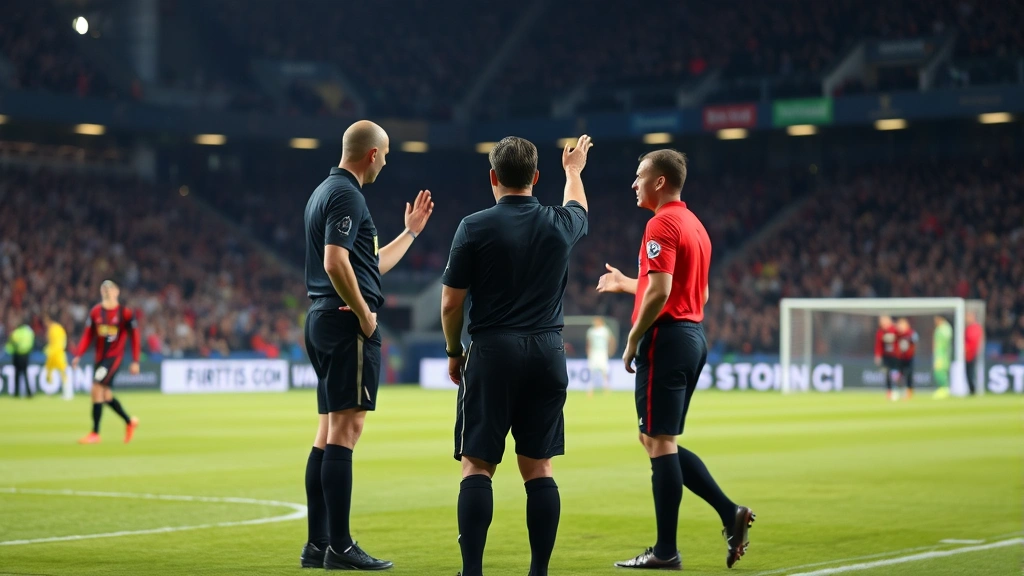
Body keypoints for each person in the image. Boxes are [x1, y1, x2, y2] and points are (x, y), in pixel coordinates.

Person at [441, 135, 591, 576]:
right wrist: (574, 172)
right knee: (538, 467)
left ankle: (472, 572)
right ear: (536, 178)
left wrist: (454, 351)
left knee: (477, 465)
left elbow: (451, 303)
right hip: (548, 350)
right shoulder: (559, 223)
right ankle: (539, 571)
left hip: (492, 350)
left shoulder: (474, 226)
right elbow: (579, 207)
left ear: (493, 177)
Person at [597, 149, 753, 570]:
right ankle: (729, 513)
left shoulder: (661, 222)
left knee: (659, 441)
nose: (633, 184)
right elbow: (694, 294)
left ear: (659, 182)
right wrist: (628, 283)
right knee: (654, 439)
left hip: (664, 340)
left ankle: (666, 551)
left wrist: (632, 339)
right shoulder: (695, 226)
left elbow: (663, 292)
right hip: (691, 336)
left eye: (639, 176)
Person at [300, 120, 433, 570]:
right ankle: (340, 546)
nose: (388, 160)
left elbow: (366, 265)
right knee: (346, 433)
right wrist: (365, 315)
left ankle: (318, 543)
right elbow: (336, 262)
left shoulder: (324, 191)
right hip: (343, 323)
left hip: (321, 318)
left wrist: (410, 233)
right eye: (387, 153)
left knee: (326, 434)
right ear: (372, 154)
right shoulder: (348, 196)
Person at [71, 280, 141, 444]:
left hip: (114, 358)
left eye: (111, 288)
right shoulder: (96, 312)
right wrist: (78, 354)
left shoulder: (125, 313)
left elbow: (135, 337)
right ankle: (129, 422)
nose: (107, 291)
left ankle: (95, 433)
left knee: (96, 387)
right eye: (104, 288)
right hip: (99, 358)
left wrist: (135, 360)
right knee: (106, 395)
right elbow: (88, 335)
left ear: (117, 292)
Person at [43, 310, 72, 400]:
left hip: (57, 354)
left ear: (48, 320)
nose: (44, 323)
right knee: (49, 372)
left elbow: (57, 343)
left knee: (61, 373)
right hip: (56, 354)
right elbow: (64, 341)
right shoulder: (58, 328)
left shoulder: (54, 329)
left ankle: (67, 393)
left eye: (45, 320)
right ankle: (51, 391)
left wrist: (49, 350)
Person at [586, 316, 616, 396]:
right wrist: (588, 352)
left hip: (602, 352)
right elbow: (589, 343)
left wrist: (611, 350)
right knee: (592, 371)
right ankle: (590, 389)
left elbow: (611, 340)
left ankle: (606, 388)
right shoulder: (591, 331)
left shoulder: (605, 330)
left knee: (605, 371)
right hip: (594, 352)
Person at [5, 321, 34, 398]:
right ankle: (29, 393)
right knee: (25, 374)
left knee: (17, 375)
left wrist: (8, 350)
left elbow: (11, 344)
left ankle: (16, 393)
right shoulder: (28, 332)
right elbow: (31, 343)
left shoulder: (16, 333)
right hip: (25, 355)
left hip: (17, 355)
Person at [874, 315, 900, 401]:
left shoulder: (895, 330)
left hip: (896, 355)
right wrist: (878, 355)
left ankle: (897, 389)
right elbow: (878, 345)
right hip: (886, 356)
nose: (882, 323)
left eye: (884, 321)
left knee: (896, 373)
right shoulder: (880, 332)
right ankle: (889, 391)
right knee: (887, 374)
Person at [894, 318, 919, 399]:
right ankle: (899, 390)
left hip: (909, 358)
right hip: (900, 358)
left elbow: (915, 341)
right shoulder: (897, 334)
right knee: (899, 375)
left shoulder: (911, 333)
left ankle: (909, 391)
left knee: (909, 374)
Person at [932, 316, 953, 399]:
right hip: (939, 353)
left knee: (940, 370)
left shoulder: (945, 328)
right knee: (938, 370)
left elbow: (944, 342)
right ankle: (942, 388)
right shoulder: (939, 328)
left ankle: (944, 388)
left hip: (942, 354)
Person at [965, 311, 982, 395]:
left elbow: (973, 342)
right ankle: (971, 390)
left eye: (968, 316)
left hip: (972, 354)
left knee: (971, 373)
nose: (967, 318)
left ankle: (973, 390)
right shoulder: (968, 328)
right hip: (966, 355)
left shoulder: (975, 328)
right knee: (968, 373)